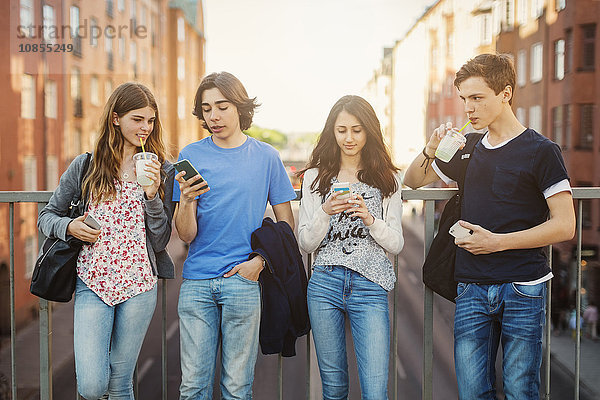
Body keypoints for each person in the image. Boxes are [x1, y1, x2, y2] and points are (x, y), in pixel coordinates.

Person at [404, 53, 576, 399]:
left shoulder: (541, 151)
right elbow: (413, 180)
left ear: (506, 94)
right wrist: (431, 148)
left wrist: (498, 242)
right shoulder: (466, 147)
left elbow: (565, 226)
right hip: (472, 285)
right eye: (465, 99)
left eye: (477, 98)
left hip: (523, 285)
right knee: (472, 392)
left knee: (519, 391)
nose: (468, 108)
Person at [38, 82, 175, 399]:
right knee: (92, 385)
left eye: (150, 120)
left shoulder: (160, 169)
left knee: (120, 382)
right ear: (116, 118)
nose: (145, 128)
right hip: (93, 282)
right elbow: (47, 217)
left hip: (139, 284)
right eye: (137, 119)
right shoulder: (86, 166)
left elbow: (160, 239)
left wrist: (153, 196)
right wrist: (71, 226)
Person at [173, 71, 296, 399]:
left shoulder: (267, 157)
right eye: (207, 108)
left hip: (243, 281)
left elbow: (286, 225)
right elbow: (185, 235)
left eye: (222, 106)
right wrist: (186, 201)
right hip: (197, 282)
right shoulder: (191, 156)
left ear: (240, 107)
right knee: (192, 388)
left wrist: (259, 263)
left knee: (237, 389)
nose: (214, 116)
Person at [297, 95, 404, 399]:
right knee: (333, 390)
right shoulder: (316, 177)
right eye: (341, 129)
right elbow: (305, 242)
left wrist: (371, 219)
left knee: (375, 391)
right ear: (332, 131)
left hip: (370, 286)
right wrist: (325, 212)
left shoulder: (388, 178)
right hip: (325, 284)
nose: (349, 138)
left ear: (369, 131)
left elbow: (396, 243)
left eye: (357, 130)